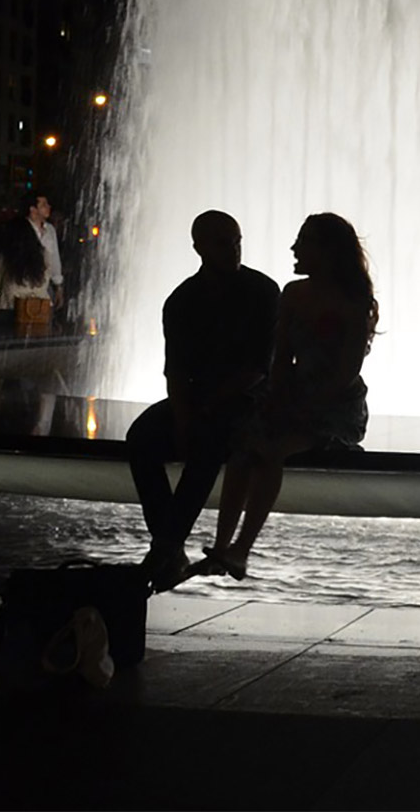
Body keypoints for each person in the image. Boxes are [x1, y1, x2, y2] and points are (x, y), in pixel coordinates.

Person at [204, 213, 377, 580]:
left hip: (336, 407)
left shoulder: (353, 302)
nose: (294, 248)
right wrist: (279, 397)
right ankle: (222, 547)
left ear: (328, 251)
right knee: (242, 451)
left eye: (304, 241)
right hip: (292, 393)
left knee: (269, 452)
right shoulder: (293, 293)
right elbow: (280, 357)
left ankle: (241, 549)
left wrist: (299, 408)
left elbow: (347, 373)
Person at [129, 211, 280, 592]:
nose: (234, 250)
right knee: (140, 438)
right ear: (198, 247)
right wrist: (182, 416)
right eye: (224, 243)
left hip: (250, 400)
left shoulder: (263, 291)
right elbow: (174, 370)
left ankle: (166, 544)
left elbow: (261, 367)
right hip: (202, 400)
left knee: (208, 440)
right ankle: (169, 542)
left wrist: (201, 409)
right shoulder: (181, 300)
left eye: (237, 241)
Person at [0, 217, 51, 329]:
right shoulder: (44, 255)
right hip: (38, 310)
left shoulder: (5, 258)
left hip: (8, 310)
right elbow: (47, 280)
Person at [23, 192, 65, 312]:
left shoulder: (50, 230)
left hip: (44, 286)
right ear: (33, 209)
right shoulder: (23, 229)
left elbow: (55, 258)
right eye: (44, 205)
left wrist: (58, 285)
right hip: (25, 285)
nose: (48, 207)